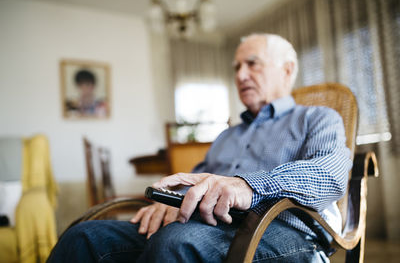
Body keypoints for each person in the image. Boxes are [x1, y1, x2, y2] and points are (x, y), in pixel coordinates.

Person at [48, 34, 351, 262]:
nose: (240, 75)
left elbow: (331, 172)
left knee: (176, 242)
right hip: (203, 224)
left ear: (287, 70)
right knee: (83, 237)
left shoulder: (318, 118)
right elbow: (197, 177)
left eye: (252, 64)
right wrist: (171, 200)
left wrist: (247, 186)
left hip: (283, 228)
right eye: (236, 67)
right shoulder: (227, 135)